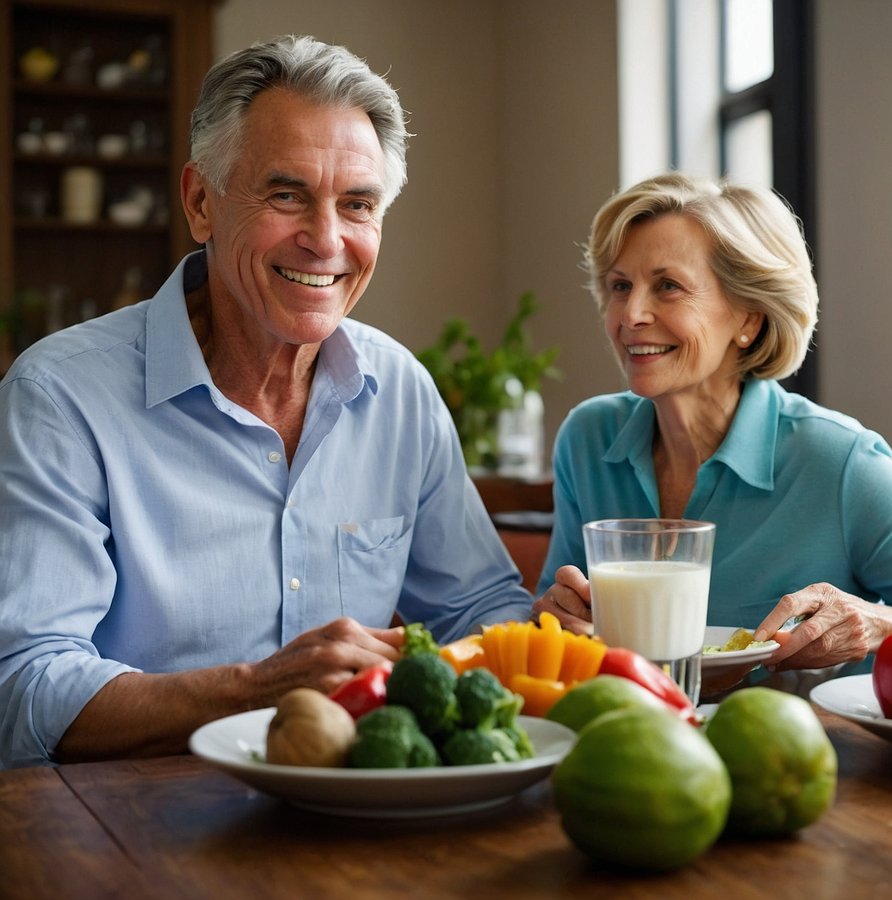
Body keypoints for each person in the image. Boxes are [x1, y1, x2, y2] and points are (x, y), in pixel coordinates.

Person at [0, 36, 532, 769]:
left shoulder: (401, 391)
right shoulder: (58, 396)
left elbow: (480, 611)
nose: (326, 239)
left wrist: (546, 632)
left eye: (358, 204)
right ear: (200, 202)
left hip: (358, 827)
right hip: (130, 839)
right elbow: (23, 690)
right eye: (286, 195)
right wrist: (254, 690)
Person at [533, 172, 892, 686]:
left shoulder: (838, 461)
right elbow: (554, 624)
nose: (631, 314)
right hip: (625, 747)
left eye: (668, 286)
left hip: (796, 756)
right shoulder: (587, 437)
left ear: (749, 319)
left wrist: (879, 625)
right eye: (620, 286)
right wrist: (555, 615)